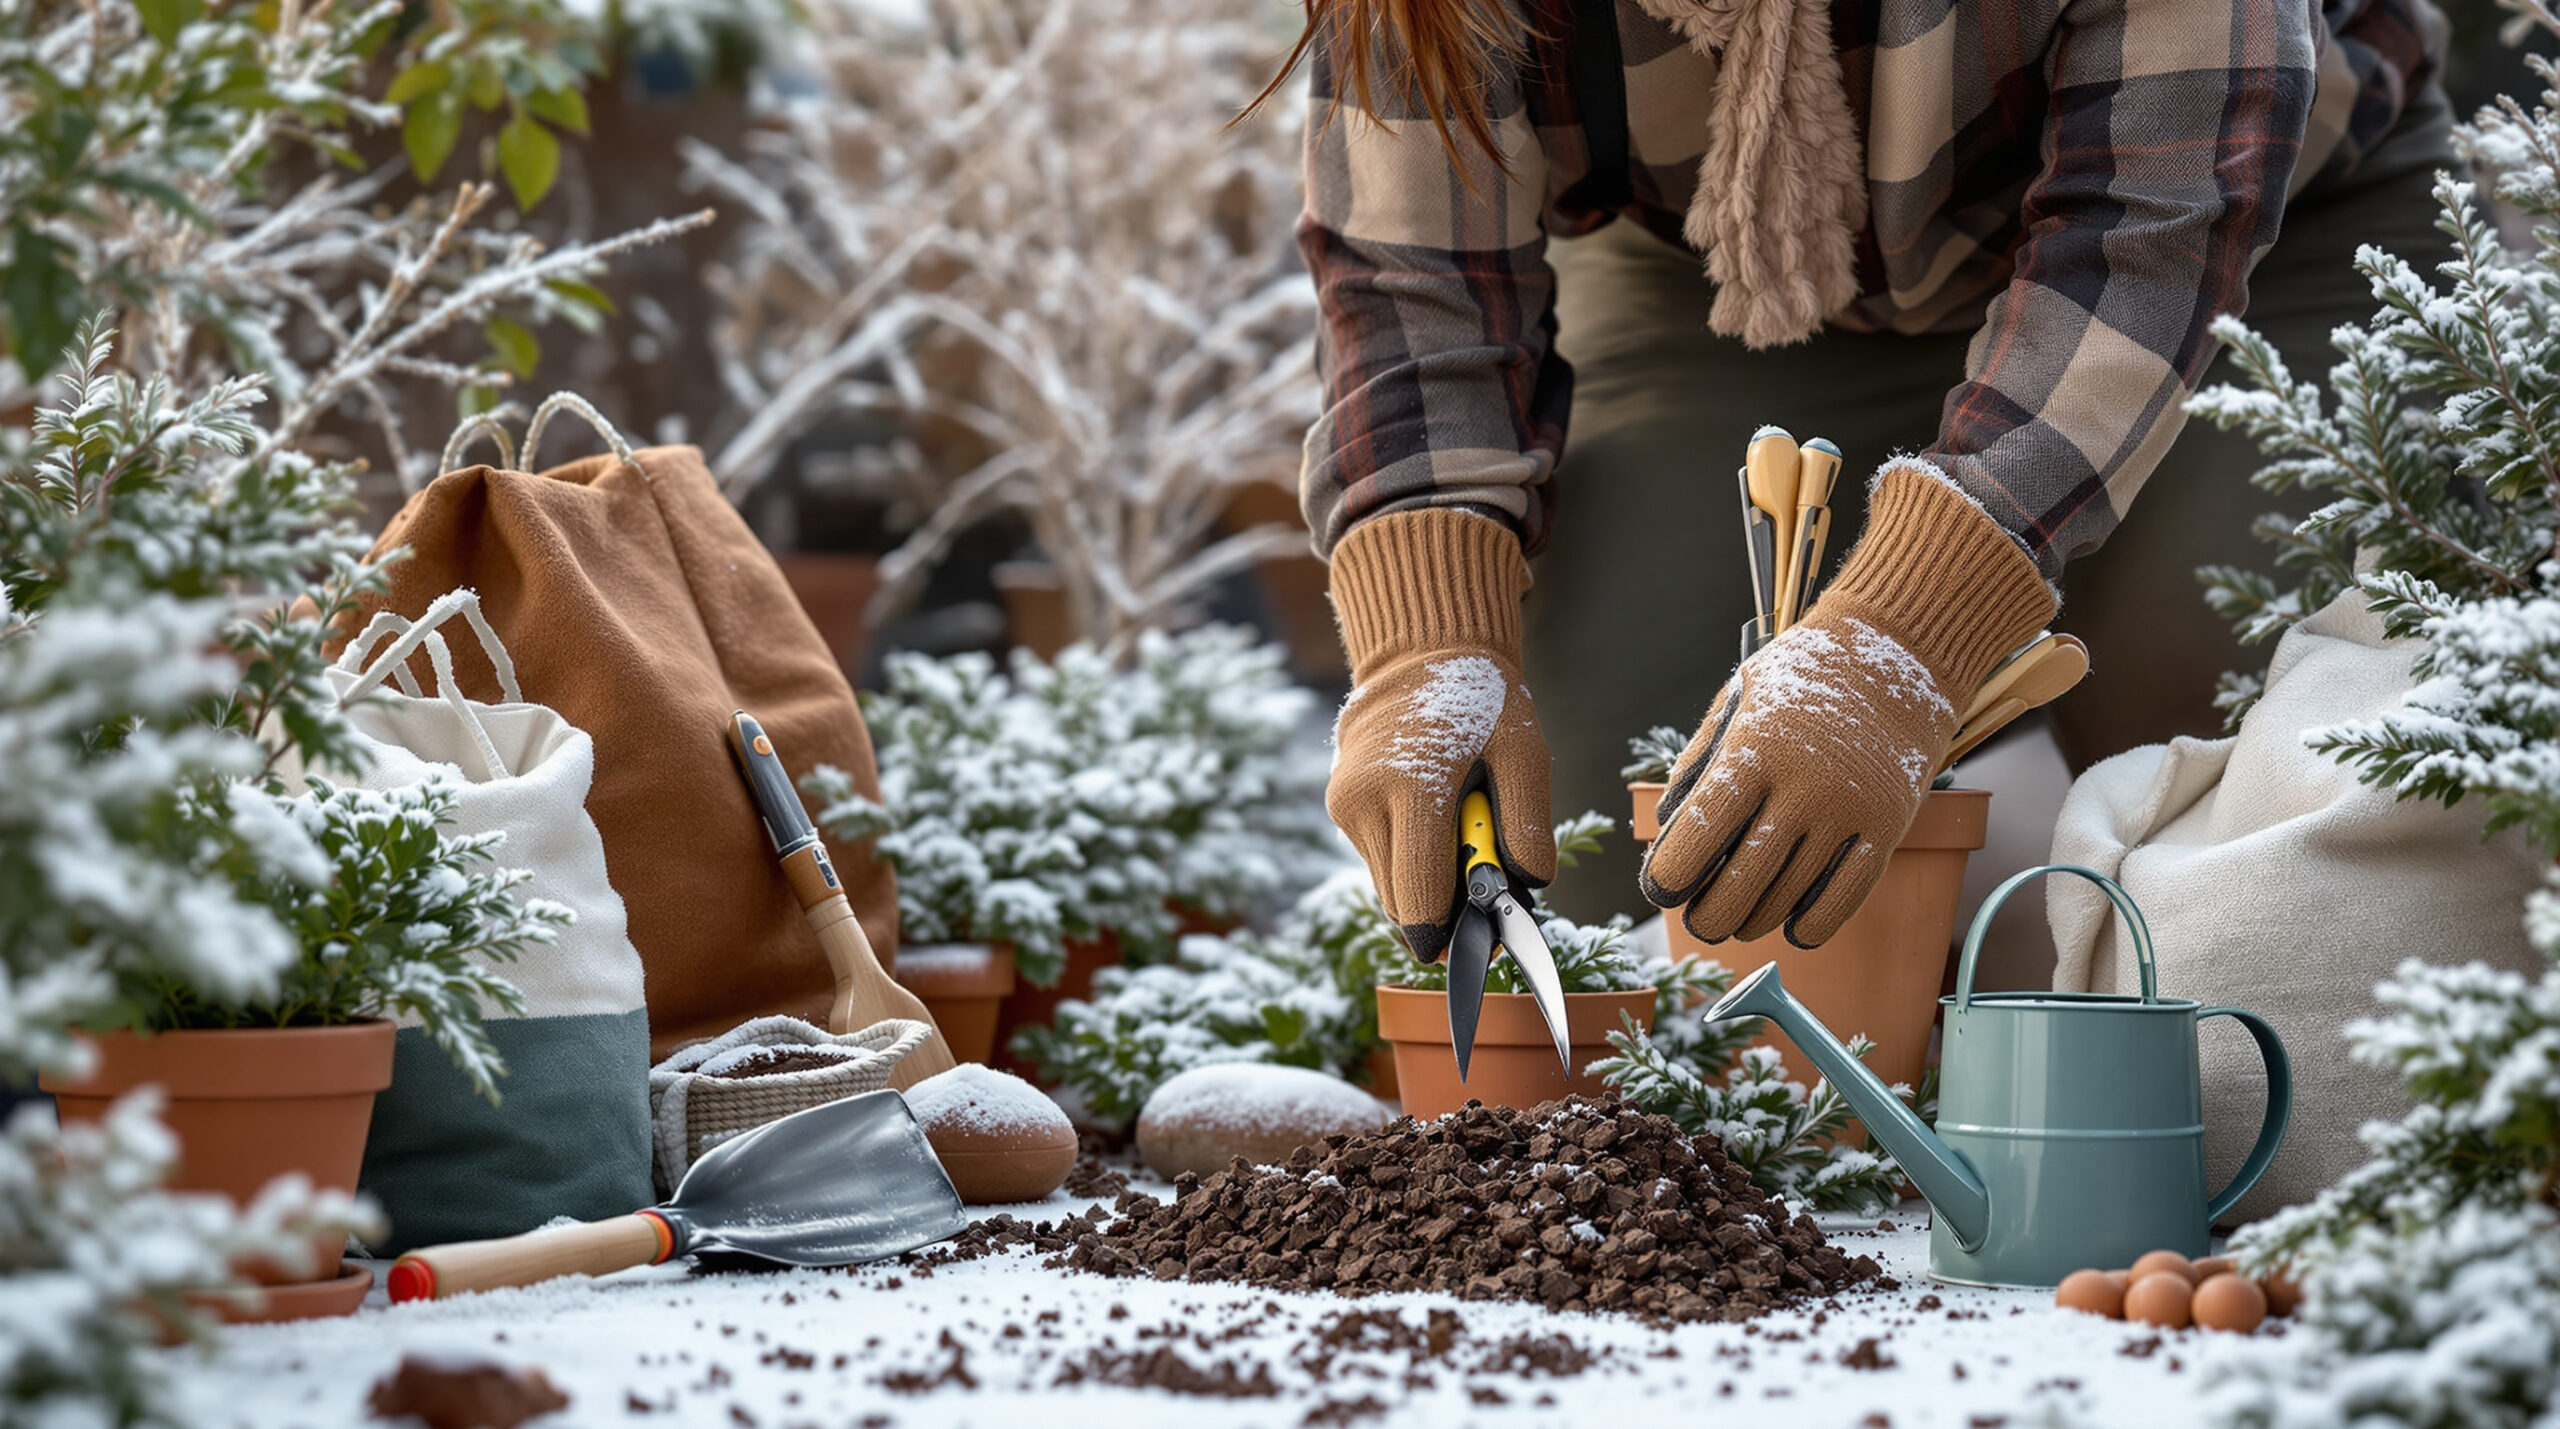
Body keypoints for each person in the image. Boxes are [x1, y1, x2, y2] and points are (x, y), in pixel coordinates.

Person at [1283, 0, 2458, 954]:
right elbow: (1409, 280)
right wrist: (1427, 648)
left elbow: (2146, 237)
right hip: (1741, 276)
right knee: (1601, 824)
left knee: (2260, 736)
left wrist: (1899, 639)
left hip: (2255, 238)